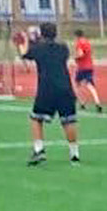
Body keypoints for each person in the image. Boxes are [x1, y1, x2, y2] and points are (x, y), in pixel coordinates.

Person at [20, 22, 81, 166]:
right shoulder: (63, 48)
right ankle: (74, 154)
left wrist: (25, 40)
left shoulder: (38, 48)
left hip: (47, 88)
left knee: (36, 118)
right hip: (65, 87)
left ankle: (39, 150)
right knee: (68, 121)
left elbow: (25, 54)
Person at [71, 29, 104, 113]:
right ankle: (97, 102)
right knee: (90, 85)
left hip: (82, 67)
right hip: (89, 66)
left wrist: (75, 57)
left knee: (77, 84)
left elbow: (80, 54)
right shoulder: (87, 42)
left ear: (76, 36)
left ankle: (82, 102)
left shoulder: (79, 43)